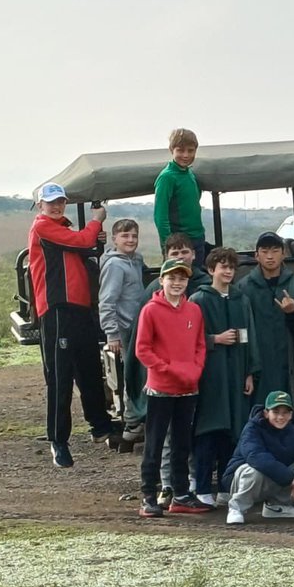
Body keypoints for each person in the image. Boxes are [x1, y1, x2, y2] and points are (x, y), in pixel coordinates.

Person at [121, 233, 212, 502]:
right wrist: (170, 370)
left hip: (188, 389)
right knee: (155, 444)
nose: (177, 283)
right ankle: (149, 496)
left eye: (182, 278)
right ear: (162, 280)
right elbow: (142, 350)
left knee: (182, 444)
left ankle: (181, 494)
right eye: (172, 278)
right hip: (160, 389)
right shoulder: (150, 309)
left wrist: (195, 371)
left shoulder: (193, 310)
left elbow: (199, 346)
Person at [27, 181, 113, 468]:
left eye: (60, 201)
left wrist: (93, 235)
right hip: (57, 310)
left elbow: (85, 248)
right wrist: (95, 222)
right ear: (40, 206)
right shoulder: (43, 227)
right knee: (60, 377)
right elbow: (82, 242)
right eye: (51, 202)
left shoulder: (62, 230)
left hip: (79, 309)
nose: (57, 205)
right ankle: (58, 440)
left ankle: (100, 425)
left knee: (89, 367)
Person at [190, 247, 258, 506]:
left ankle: (227, 490)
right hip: (211, 376)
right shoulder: (199, 299)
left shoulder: (241, 299)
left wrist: (250, 372)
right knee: (209, 431)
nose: (227, 271)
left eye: (231, 267)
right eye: (222, 266)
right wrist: (214, 339)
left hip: (237, 373)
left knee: (233, 433)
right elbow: (190, 339)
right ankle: (204, 487)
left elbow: (250, 336)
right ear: (211, 270)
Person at [222, 390, 294, 525]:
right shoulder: (252, 429)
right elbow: (258, 459)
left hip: (273, 478)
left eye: (285, 413)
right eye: (276, 412)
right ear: (266, 413)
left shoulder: (292, 431)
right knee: (255, 470)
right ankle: (236, 508)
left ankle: (276, 506)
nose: (280, 417)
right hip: (240, 478)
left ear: (291, 415)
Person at [238, 231, 294, 407]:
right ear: (256, 255)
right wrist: (247, 368)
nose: (270, 256)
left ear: (284, 254)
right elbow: (241, 330)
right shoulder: (244, 288)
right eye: (264, 251)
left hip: (287, 365)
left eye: (275, 251)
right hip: (257, 365)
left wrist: (292, 313)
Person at [98, 219, 146, 439]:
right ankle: (132, 424)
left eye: (134, 236)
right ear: (115, 238)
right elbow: (107, 301)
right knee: (132, 374)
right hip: (125, 329)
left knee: (142, 373)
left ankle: (140, 419)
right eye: (125, 236)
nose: (130, 240)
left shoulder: (135, 260)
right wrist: (112, 333)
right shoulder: (115, 265)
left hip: (140, 326)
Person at [154, 128, 206, 265]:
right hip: (180, 245)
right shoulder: (167, 177)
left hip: (197, 238)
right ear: (172, 150)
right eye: (180, 150)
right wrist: (168, 249)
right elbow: (160, 217)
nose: (186, 155)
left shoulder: (189, 174)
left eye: (190, 150)